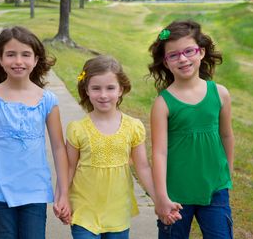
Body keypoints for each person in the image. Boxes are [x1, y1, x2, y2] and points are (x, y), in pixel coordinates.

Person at [0, 26, 71, 239]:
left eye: (25, 54)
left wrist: (63, 192)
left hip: (35, 191)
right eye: (11, 54)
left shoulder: (47, 100)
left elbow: (58, 148)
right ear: (0, 59)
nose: (18, 61)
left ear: (36, 59)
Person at [66, 55, 179, 239]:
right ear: (86, 89)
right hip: (84, 208)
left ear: (121, 90)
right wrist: (62, 196)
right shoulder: (77, 129)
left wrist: (159, 199)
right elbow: (69, 167)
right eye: (96, 88)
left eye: (110, 88)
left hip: (117, 210)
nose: (103, 95)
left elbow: (142, 167)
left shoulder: (133, 127)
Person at [148, 20, 234, 238]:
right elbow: (159, 152)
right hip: (176, 195)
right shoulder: (163, 103)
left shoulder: (220, 93)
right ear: (166, 63)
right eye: (174, 55)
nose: (183, 59)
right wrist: (161, 197)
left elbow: (226, 135)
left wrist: (228, 172)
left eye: (189, 51)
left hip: (214, 189)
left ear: (201, 52)